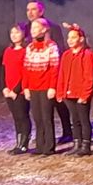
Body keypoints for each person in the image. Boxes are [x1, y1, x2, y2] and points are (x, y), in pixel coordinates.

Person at [19, 0, 72, 144]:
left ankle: (67, 131)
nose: (30, 12)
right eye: (28, 10)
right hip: (33, 71)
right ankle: (41, 137)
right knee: (38, 110)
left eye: (33, 9)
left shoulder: (52, 27)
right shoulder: (25, 28)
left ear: (41, 11)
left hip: (50, 70)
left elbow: (60, 49)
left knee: (57, 104)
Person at [23, 18, 60, 155]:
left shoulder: (51, 46)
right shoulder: (30, 47)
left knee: (46, 117)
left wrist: (52, 87)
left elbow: (54, 68)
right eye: (32, 28)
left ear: (44, 29)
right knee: (37, 117)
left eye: (36, 28)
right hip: (33, 87)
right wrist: (26, 87)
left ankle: (49, 147)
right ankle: (40, 145)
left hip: (46, 87)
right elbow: (26, 69)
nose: (32, 31)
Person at [57, 23, 93, 156]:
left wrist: (85, 94)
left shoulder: (87, 54)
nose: (70, 40)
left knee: (83, 119)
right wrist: (60, 92)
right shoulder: (66, 55)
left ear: (81, 39)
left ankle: (86, 145)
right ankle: (77, 144)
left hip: (81, 93)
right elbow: (62, 74)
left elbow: (89, 77)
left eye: (73, 37)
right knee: (75, 120)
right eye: (69, 38)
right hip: (68, 93)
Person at [1, 25, 30, 155]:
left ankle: (23, 144)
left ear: (23, 34)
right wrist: (4, 87)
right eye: (12, 32)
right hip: (9, 90)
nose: (13, 35)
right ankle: (18, 143)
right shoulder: (8, 51)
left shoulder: (26, 51)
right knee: (16, 117)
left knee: (22, 116)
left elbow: (26, 73)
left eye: (17, 32)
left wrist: (16, 90)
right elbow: (3, 70)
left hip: (20, 90)